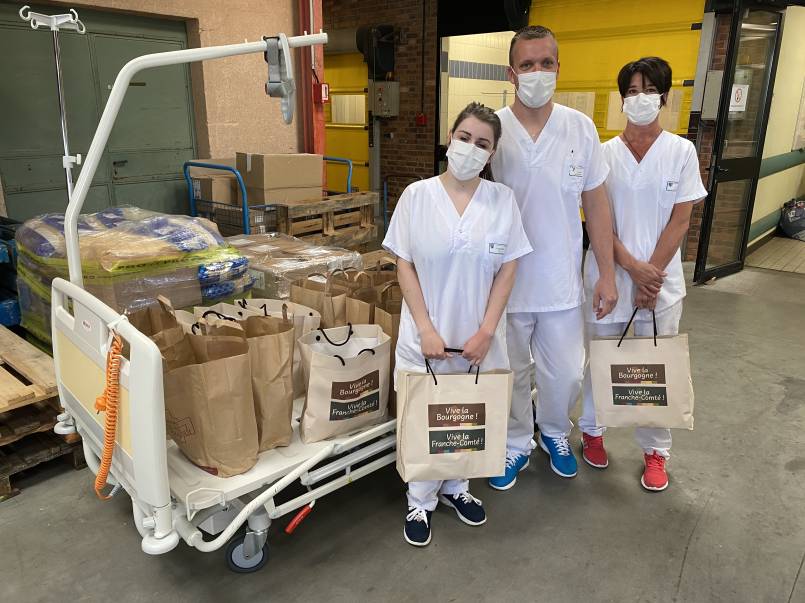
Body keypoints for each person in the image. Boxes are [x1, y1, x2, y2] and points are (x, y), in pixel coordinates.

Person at [383, 102, 532, 547]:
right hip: (426, 336)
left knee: (468, 416)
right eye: (465, 137)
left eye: (482, 143)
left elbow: (508, 269)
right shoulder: (417, 196)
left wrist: (487, 330)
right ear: (451, 137)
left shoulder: (501, 200)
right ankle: (420, 499)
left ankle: (458, 488)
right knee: (426, 417)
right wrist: (426, 329)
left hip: (477, 339)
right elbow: (403, 264)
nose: (471, 148)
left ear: (491, 154)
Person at [489, 25, 618, 489]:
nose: (537, 72)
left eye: (546, 63)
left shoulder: (580, 128)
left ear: (559, 68)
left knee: (563, 372)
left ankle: (555, 432)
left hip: (561, 280)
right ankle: (516, 442)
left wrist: (607, 273)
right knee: (511, 372)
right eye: (527, 65)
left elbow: (597, 204)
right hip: (506, 282)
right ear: (511, 73)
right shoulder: (493, 129)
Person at [579, 56, 706, 491]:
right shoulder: (604, 154)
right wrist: (631, 268)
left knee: (654, 368)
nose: (640, 99)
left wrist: (652, 277)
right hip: (607, 275)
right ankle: (592, 432)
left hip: (661, 284)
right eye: (632, 92)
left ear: (665, 99)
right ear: (621, 100)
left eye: (649, 91)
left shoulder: (681, 151)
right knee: (602, 358)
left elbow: (681, 220)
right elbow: (599, 221)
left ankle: (655, 451)